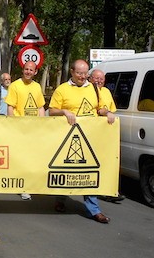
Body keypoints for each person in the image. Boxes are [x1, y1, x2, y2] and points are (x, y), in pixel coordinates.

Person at [49, 59, 115, 224]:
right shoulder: (62, 89)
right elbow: (51, 111)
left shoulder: (94, 88)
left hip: (91, 136)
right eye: (79, 73)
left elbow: (99, 108)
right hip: (67, 137)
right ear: (72, 71)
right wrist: (64, 111)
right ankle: (60, 200)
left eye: (85, 73)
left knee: (89, 171)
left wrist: (107, 113)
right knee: (65, 169)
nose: (82, 76)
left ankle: (94, 209)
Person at [5, 61, 45, 200]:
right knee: (19, 158)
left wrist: (42, 124)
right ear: (23, 70)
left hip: (34, 129)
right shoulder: (15, 85)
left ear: (35, 72)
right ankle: (21, 185)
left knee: (31, 158)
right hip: (19, 128)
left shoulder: (37, 87)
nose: (28, 72)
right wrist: (12, 125)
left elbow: (40, 107)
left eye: (31, 70)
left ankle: (29, 184)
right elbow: (10, 107)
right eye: (26, 69)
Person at [89, 69, 125, 203]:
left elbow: (111, 110)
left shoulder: (106, 92)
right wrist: (106, 112)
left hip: (105, 133)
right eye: (96, 78)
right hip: (91, 132)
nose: (99, 81)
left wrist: (109, 113)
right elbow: (100, 109)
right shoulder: (89, 91)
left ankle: (109, 190)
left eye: (102, 79)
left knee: (107, 162)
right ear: (90, 79)